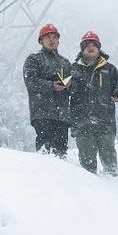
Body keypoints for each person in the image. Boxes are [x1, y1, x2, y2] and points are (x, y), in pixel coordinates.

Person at [69, 31, 118, 176]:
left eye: (94, 44)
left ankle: (115, 185)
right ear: (82, 48)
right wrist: (69, 86)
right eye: (87, 44)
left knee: (109, 161)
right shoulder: (73, 69)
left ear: (99, 48)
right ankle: (90, 192)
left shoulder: (110, 69)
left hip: (105, 123)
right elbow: (64, 89)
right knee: (87, 166)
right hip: (82, 123)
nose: (91, 47)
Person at [22, 23, 73, 156]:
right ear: (41, 41)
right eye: (48, 37)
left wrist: (70, 85)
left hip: (62, 114)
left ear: (58, 40)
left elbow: (75, 87)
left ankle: (59, 176)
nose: (51, 40)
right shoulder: (34, 59)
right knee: (45, 151)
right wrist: (51, 85)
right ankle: (44, 175)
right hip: (42, 112)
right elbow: (30, 81)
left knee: (61, 152)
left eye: (54, 37)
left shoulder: (65, 63)